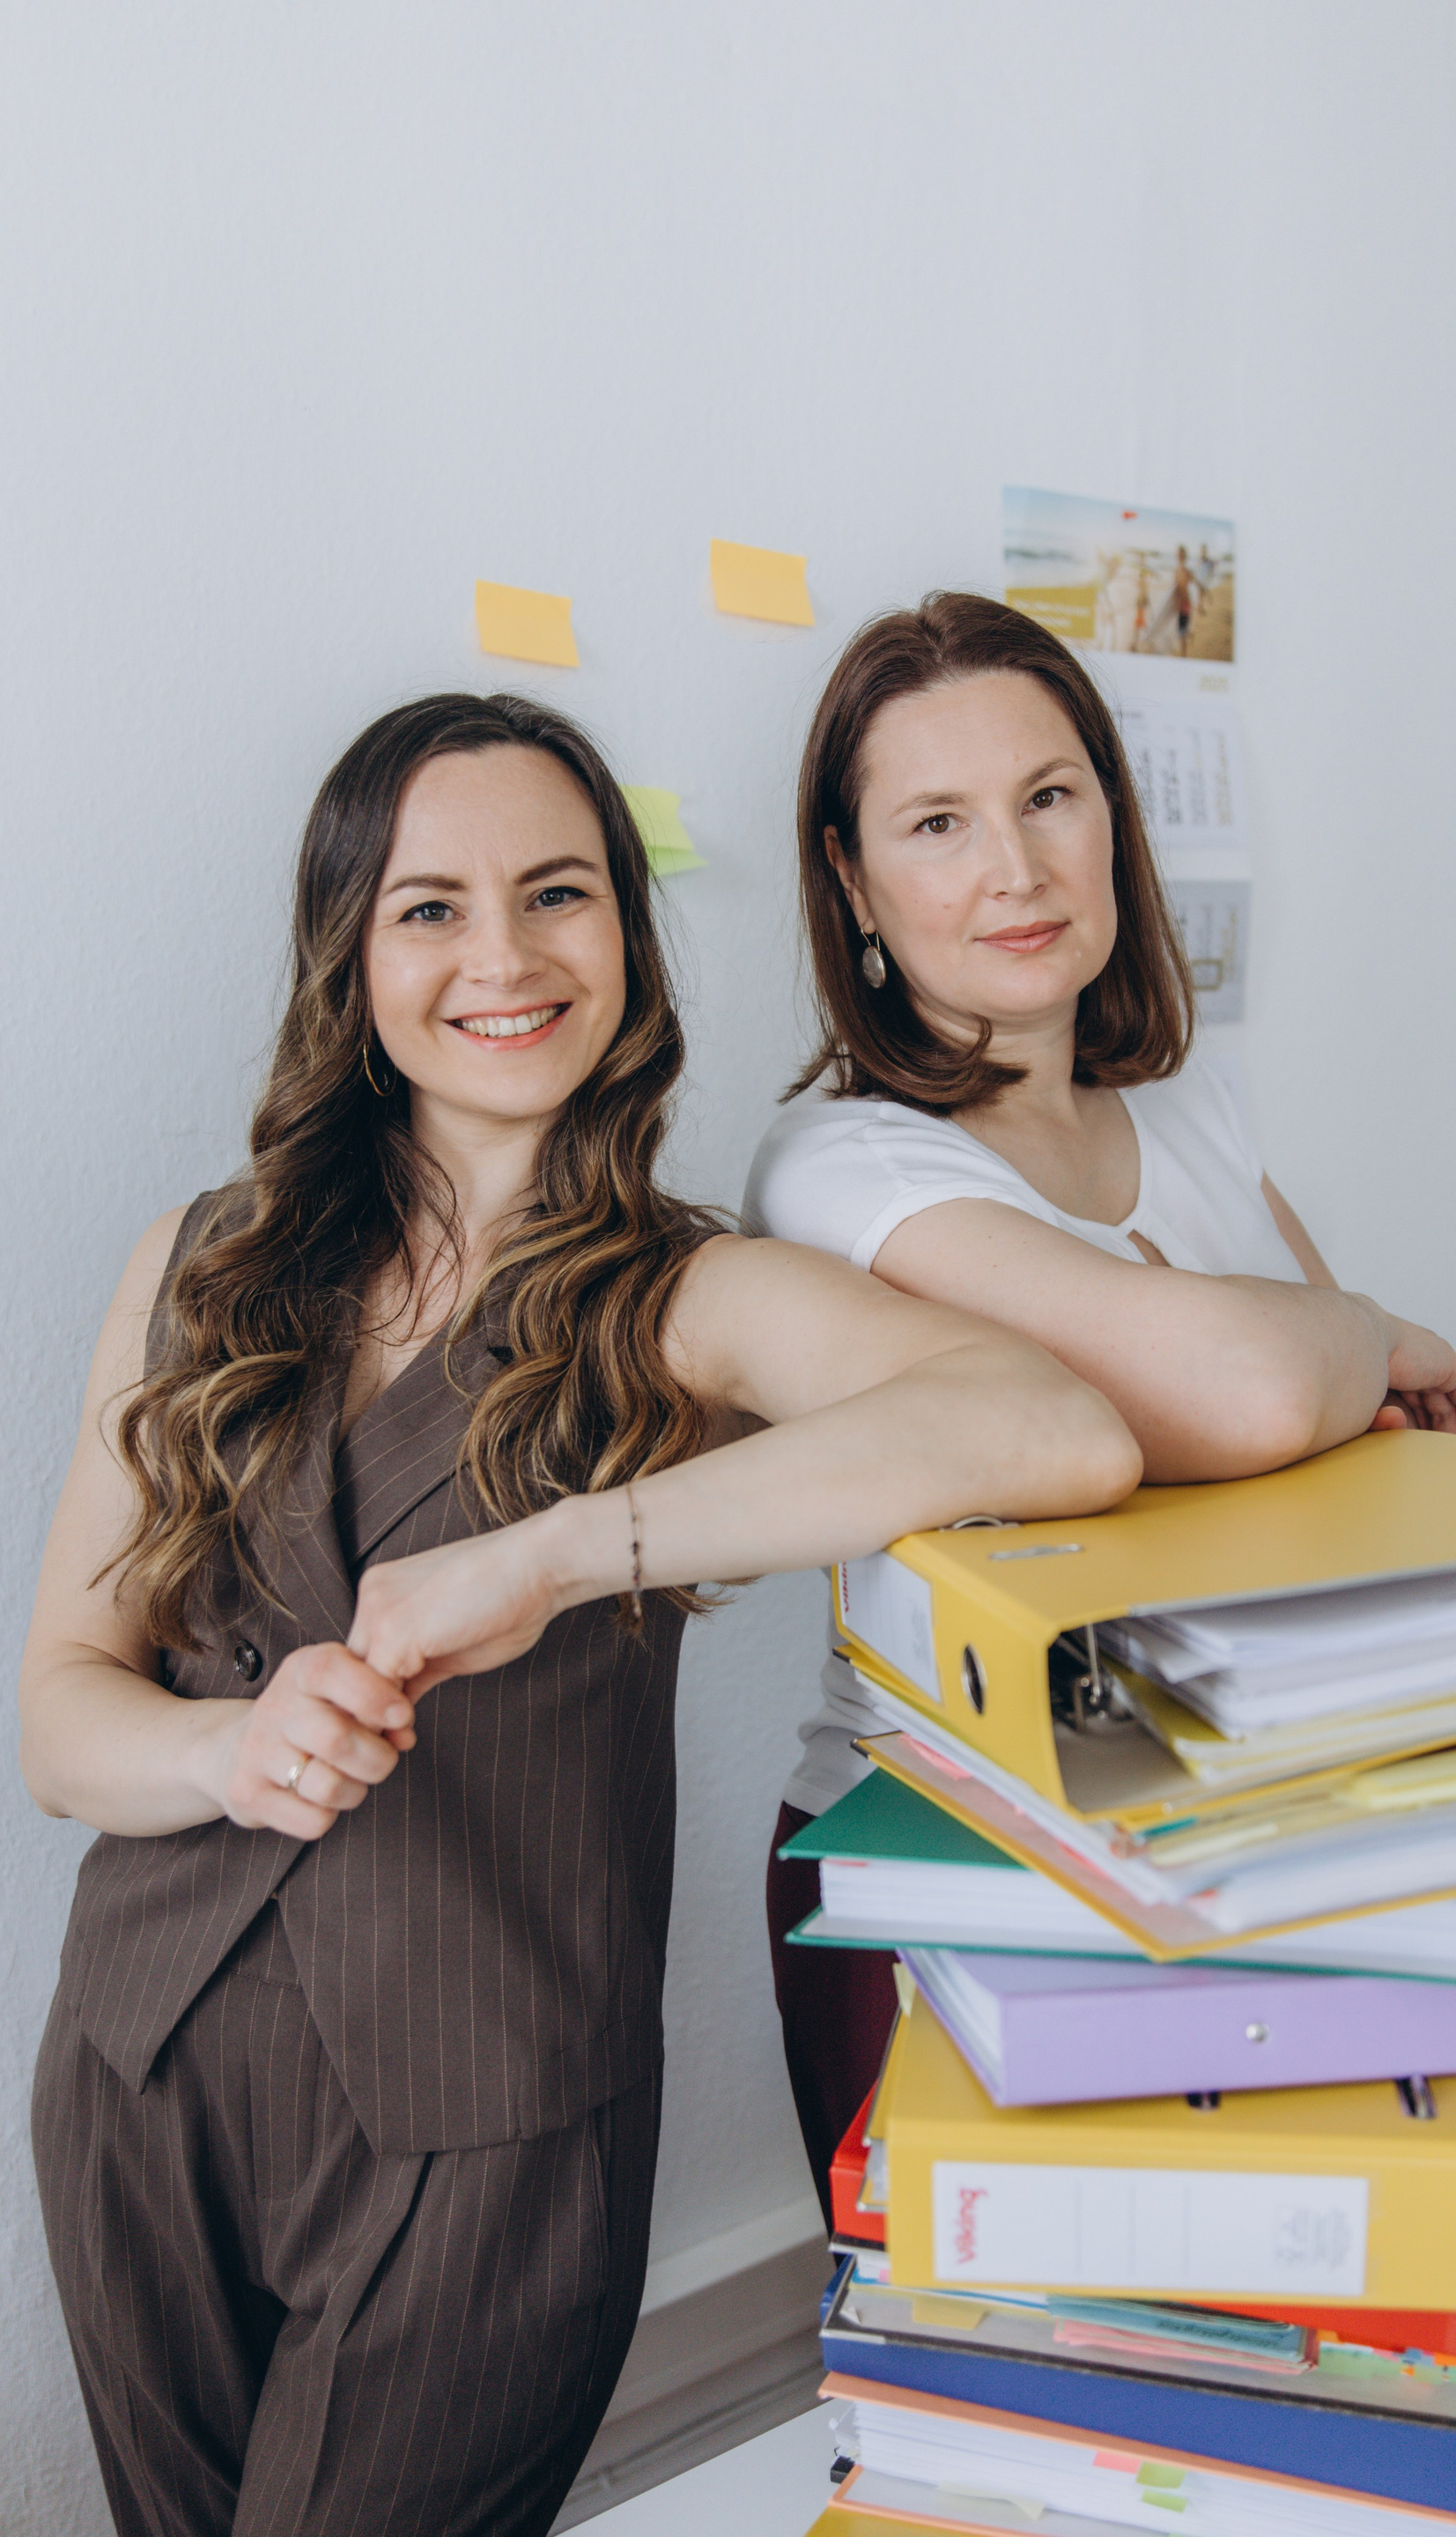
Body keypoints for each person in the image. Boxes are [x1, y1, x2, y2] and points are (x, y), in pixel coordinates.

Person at [19, 691, 1138, 2537]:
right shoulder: (197, 1267)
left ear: (626, 927)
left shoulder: (684, 1296)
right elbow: (63, 1714)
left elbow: (1051, 1426)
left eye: (559, 892)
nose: (507, 956)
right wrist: (228, 1751)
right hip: (140, 2074)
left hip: (493, 2123)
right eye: (431, 908)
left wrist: (555, 1554)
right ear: (351, 955)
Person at [742, 592, 1456, 2213]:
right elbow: (1258, 1385)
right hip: (949, 1865)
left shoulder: (1193, 1105)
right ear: (851, 880)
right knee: (1011, 2352)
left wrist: (1328, 1374)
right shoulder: (841, 1165)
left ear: (1112, 818)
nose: (1014, 868)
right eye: (937, 823)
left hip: (1239, 1821)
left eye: (1049, 797)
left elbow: (1348, 1455)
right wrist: (1372, 1332)